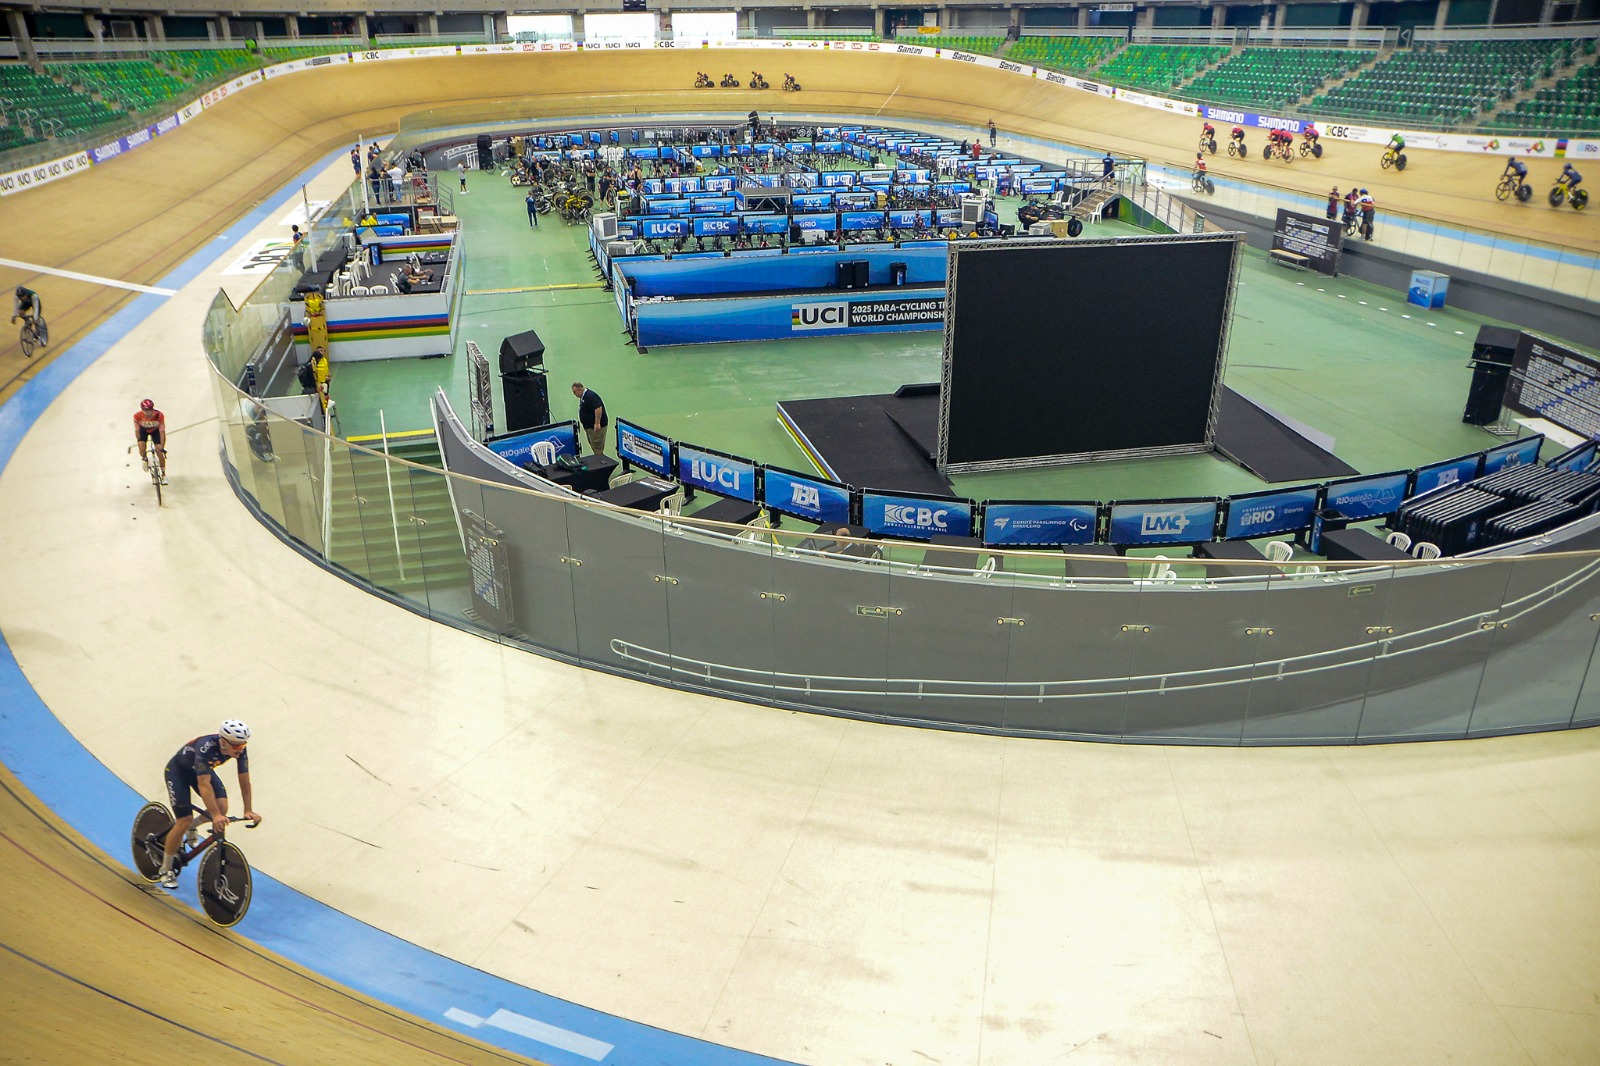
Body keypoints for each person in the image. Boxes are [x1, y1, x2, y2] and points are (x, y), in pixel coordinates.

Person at [156, 720, 261, 889]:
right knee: (183, 820)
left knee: (222, 806)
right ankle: (165, 869)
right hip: (178, 772)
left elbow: (245, 781)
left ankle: (192, 827)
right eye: (237, 746)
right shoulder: (205, 747)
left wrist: (248, 810)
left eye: (243, 745)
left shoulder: (240, 750)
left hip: (201, 771)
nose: (240, 749)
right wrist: (215, 815)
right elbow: (204, 785)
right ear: (224, 742)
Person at [133, 398, 167, 482]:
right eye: (145, 411)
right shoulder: (137, 416)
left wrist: (162, 447)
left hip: (156, 431)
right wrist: (140, 442)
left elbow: (162, 432)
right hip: (143, 431)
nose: (147, 413)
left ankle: (163, 474)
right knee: (141, 447)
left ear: (152, 409)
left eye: (149, 410)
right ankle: (144, 458)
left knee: (160, 453)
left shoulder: (159, 415)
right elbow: (137, 431)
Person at [572, 381, 608, 456]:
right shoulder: (584, 397)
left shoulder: (590, 396)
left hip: (596, 428)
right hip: (590, 427)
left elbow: (598, 408)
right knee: (594, 447)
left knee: (597, 447)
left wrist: (597, 423)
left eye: (575, 392)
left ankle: (600, 461)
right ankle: (599, 459)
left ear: (579, 389)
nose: (574, 394)